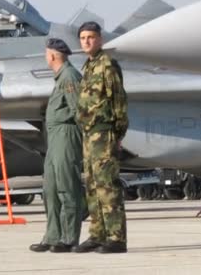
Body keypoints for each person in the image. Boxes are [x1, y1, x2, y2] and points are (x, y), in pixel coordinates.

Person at [73, 22, 129, 254]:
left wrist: (118, 133)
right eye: (83, 38)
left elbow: (119, 100)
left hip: (104, 132)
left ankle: (116, 238)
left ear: (100, 39)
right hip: (89, 134)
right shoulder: (88, 66)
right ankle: (97, 234)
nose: (86, 41)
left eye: (91, 37)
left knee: (107, 185)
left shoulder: (107, 65)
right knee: (92, 186)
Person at [30, 38, 84, 253]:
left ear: (52, 55)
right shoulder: (60, 78)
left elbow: (79, 109)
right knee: (50, 188)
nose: (46, 57)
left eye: (46, 53)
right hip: (55, 137)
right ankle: (53, 236)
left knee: (67, 187)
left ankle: (69, 238)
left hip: (66, 134)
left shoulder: (69, 76)